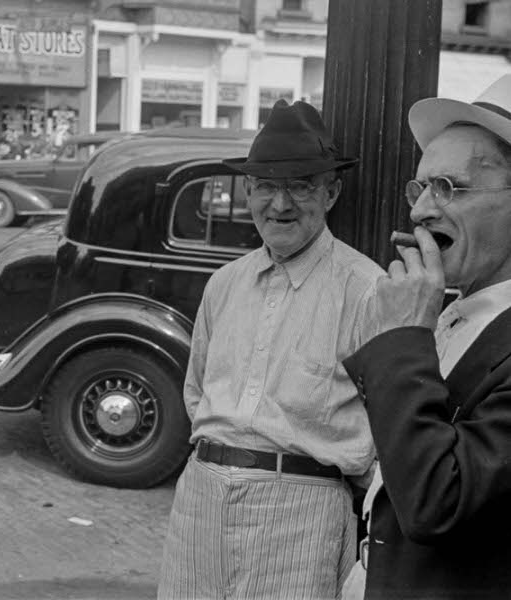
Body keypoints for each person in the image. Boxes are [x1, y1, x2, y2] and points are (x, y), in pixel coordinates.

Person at [157, 100, 384, 600]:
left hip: (302, 511)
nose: (280, 204)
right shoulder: (225, 284)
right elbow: (196, 394)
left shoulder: (367, 290)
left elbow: (389, 428)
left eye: (300, 186)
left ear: (331, 193)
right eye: (266, 186)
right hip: (201, 497)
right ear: (249, 192)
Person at [341, 74, 511, 599]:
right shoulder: (456, 312)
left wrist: (402, 340)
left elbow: (440, 499)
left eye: (449, 188)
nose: (419, 211)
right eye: (420, 187)